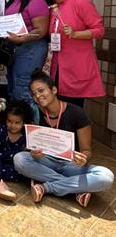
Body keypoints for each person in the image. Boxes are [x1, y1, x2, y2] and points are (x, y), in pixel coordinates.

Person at [14, 71, 114, 208]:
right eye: (34, 94)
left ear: (54, 90)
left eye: (41, 90)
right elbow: (31, 145)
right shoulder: (35, 113)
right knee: (19, 159)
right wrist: (33, 152)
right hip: (45, 161)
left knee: (106, 176)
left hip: (71, 165)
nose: (37, 96)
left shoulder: (77, 113)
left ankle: (46, 187)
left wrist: (84, 158)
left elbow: (86, 150)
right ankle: (76, 189)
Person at [43, 0, 105, 106]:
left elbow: (99, 31)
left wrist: (76, 34)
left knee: (73, 110)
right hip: (56, 68)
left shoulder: (81, 3)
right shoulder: (51, 10)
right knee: (57, 109)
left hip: (77, 67)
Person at [4, 0, 49, 108]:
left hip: (31, 50)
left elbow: (41, 31)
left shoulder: (36, 1)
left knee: (25, 88)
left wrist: (20, 39)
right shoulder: (14, 0)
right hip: (15, 50)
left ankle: (29, 121)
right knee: (14, 87)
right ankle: (16, 121)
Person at [0, 99, 33, 201]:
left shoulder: (25, 135)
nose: (13, 125)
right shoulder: (2, 129)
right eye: (10, 121)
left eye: (17, 123)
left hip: (11, 163)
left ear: (24, 123)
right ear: (5, 120)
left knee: (18, 173)